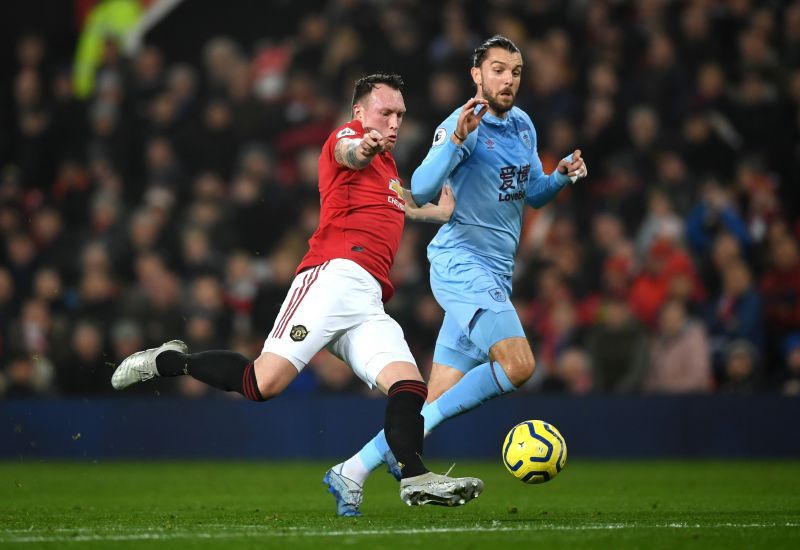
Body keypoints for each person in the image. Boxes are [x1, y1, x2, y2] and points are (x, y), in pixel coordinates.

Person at [110, 73, 482, 513]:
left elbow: (391, 200)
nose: (394, 122)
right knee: (260, 384)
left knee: (408, 384)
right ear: (361, 113)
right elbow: (350, 151)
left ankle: (414, 478)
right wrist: (363, 146)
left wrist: (433, 212)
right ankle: (168, 359)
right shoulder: (350, 138)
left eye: (400, 114)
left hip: (367, 299)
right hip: (331, 279)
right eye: (386, 112)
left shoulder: (387, 168)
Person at [330, 36, 588, 516]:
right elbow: (423, 189)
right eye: (497, 69)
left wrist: (560, 178)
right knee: (519, 365)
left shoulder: (523, 125)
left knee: (434, 402)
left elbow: (531, 193)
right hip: (460, 264)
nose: (507, 79)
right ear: (477, 75)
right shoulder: (460, 123)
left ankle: (354, 468)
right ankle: (397, 463)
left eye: (515, 70)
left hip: (494, 270)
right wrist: (457, 139)